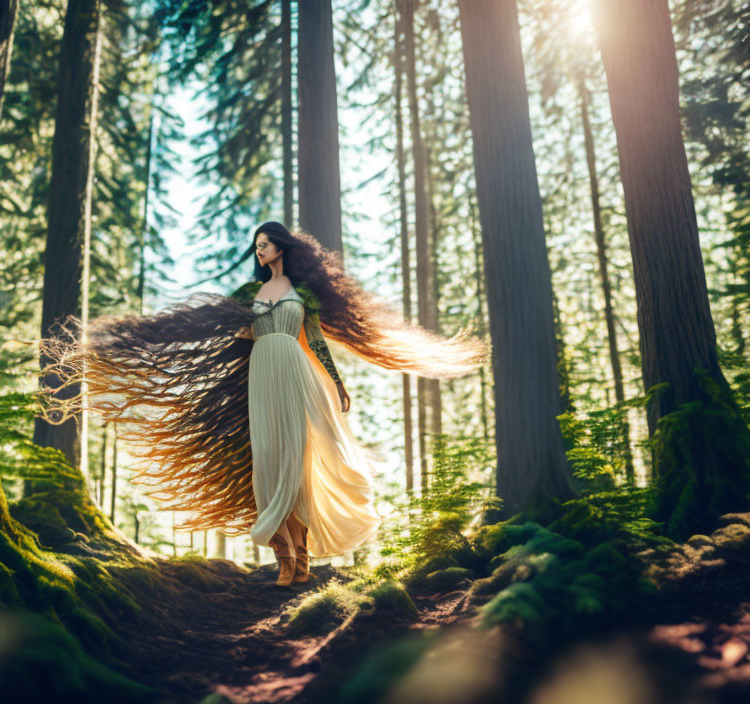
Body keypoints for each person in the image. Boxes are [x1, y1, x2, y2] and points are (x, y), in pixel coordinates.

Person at [35, 222, 484, 586]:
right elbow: (214, 323)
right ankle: (286, 558)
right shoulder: (248, 295)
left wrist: (339, 384)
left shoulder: (302, 295)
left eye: (264, 244)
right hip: (261, 378)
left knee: (297, 463)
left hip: (295, 372)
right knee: (267, 465)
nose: (259, 251)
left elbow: (317, 342)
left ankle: (299, 562)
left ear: (281, 248)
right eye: (256, 246)